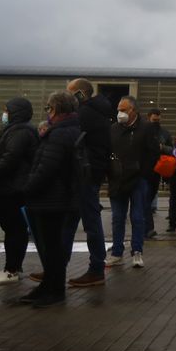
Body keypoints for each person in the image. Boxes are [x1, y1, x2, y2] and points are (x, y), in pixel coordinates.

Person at [15, 91, 84, 309]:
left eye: (48, 108)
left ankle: (53, 289)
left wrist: (26, 188)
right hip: (60, 197)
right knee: (53, 245)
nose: (47, 113)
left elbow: (46, 168)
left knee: (51, 247)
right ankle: (48, 286)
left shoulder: (59, 134)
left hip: (51, 198)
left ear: (55, 110)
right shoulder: (71, 130)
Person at [0, 97, 38, 285]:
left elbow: (10, 158)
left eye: (7, 110)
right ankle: (12, 267)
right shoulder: (16, 130)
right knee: (15, 230)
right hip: (11, 187)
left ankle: (11, 269)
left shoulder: (20, 131)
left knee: (14, 230)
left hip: (12, 189)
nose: (4, 114)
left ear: (15, 112)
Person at [62, 78, 111, 286]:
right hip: (89, 173)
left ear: (80, 94)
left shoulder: (85, 114)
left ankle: (96, 268)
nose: (67, 97)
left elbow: (69, 136)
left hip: (85, 174)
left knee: (89, 221)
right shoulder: (96, 112)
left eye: (70, 93)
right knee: (71, 223)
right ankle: (56, 266)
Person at [107, 97, 159, 269]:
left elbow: (153, 153)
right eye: (119, 109)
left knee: (137, 217)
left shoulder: (146, 128)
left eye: (124, 109)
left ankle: (137, 251)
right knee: (117, 217)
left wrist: (144, 174)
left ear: (133, 110)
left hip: (138, 179)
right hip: (117, 179)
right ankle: (116, 253)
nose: (120, 113)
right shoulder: (114, 129)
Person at [146, 108, 173, 241]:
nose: (156, 121)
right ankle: (148, 228)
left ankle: (148, 228)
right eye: (154, 119)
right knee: (144, 199)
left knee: (147, 198)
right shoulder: (143, 131)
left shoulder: (164, 133)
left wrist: (163, 148)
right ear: (148, 117)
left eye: (158, 119)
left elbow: (171, 149)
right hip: (145, 169)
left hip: (158, 169)